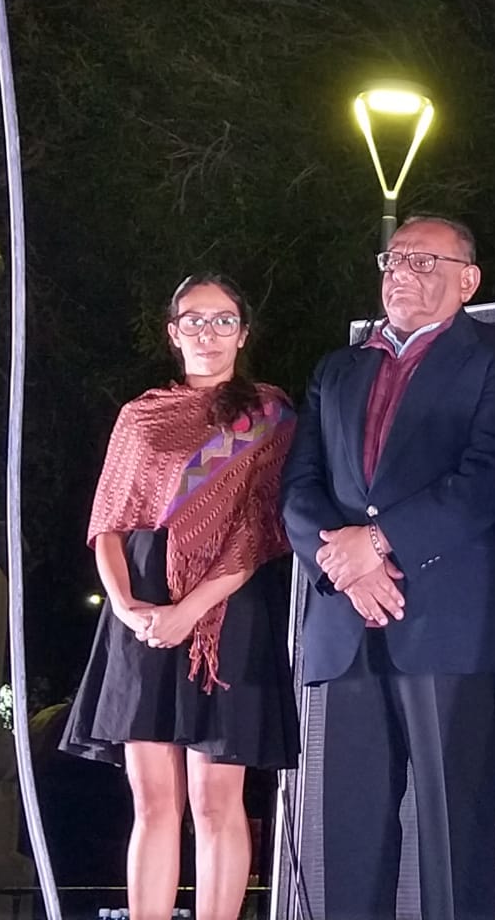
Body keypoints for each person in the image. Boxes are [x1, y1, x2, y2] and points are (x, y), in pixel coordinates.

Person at [281, 215, 495, 919]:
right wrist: (348, 566)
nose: (401, 271)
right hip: (349, 624)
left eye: (424, 261)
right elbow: (299, 488)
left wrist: (380, 542)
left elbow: (492, 474)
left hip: (452, 623)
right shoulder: (338, 368)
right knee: (350, 836)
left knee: (455, 835)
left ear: (469, 280)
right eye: (394, 259)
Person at [61, 273, 298, 920]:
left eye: (223, 321)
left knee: (217, 801)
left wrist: (190, 611)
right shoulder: (139, 417)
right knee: (153, 800)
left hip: (226, 611)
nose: (208, 332)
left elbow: (257, 530)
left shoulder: (268, 416)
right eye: (194, 320)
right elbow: (108, 524)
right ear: (173, 332)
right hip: (141, 608)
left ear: (242, 334)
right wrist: (127, 608)